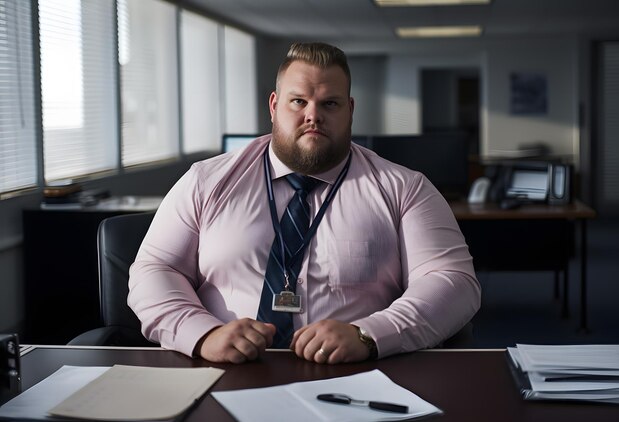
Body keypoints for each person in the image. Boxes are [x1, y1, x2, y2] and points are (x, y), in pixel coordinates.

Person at [128, 42, 480, 365]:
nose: (314, 115)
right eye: (299, 101)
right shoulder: (206, 181)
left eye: (330, 103)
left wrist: (371, 334)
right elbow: (154, 270)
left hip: (356, 377)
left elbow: (454, 282)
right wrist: (202, 333)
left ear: (350, 110)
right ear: (274, 105)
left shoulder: (404, 188)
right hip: (220, 369)